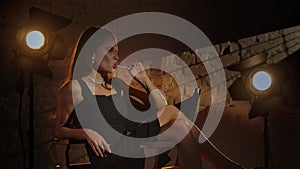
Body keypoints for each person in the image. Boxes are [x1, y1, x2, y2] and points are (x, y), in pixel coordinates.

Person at [55, 26, 248, 169]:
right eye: (110, 51)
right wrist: (86, 132)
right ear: (92, 55)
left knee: (178, 123)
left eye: (116, 51)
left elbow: (161, 106)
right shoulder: (74, 88)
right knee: (178, 122)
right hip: (110, 155)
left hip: (130, 143)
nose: (116, 57)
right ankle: (229, 166)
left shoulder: (117, 85)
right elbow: (60, 130)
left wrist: (144, 80)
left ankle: (229, 167)